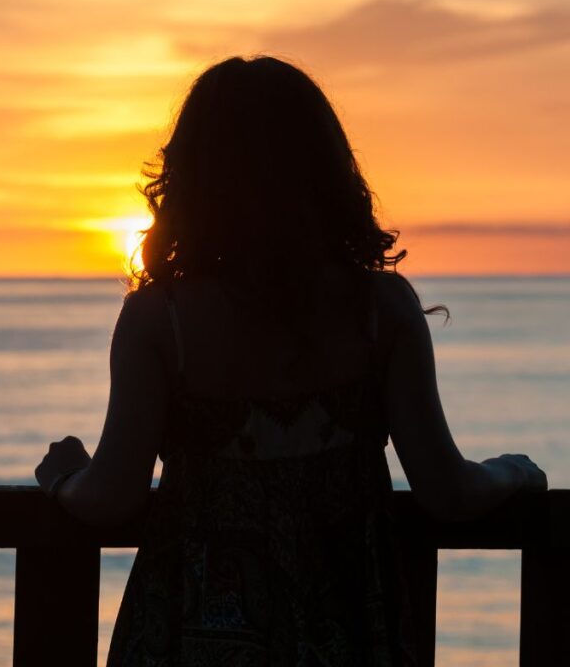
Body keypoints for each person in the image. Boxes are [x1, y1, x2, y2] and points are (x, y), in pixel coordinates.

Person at [33, 55, 548, 665]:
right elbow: (448, 491)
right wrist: (513, 472)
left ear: (193, 181)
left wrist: (65, 478)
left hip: (192, 639)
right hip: (350, 636)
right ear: (328, 174)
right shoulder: (381, 311)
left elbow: (114, 496)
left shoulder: (159, 321)